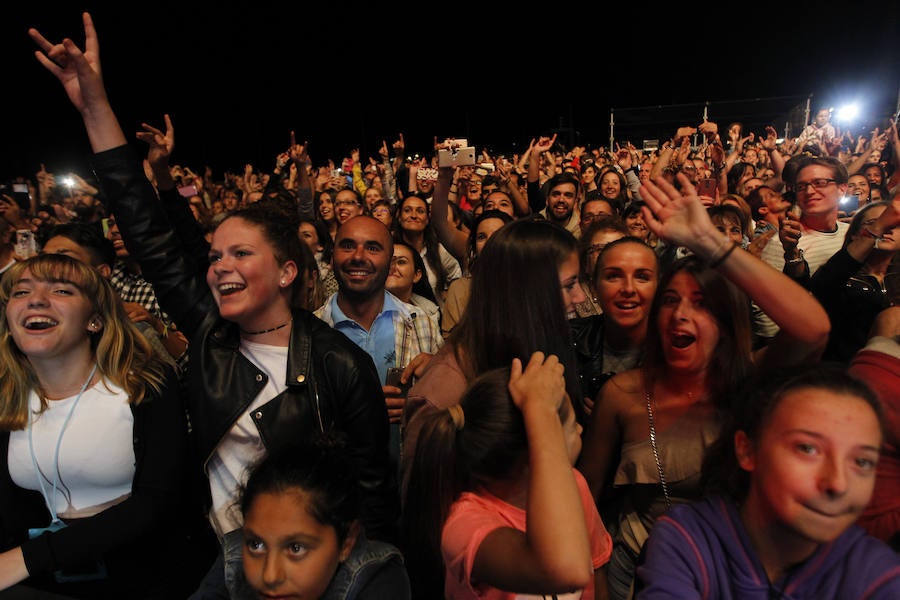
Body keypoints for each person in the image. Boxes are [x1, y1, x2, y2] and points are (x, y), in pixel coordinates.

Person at [28, 14, 399, 598]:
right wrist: (95, 107)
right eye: (215, 254)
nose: (219, 265)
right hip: (208, 562)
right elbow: (146, 231)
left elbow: (372, 501)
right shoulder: (208, 331)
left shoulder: (339, 367)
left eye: (240, 253)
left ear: (286, 271)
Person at [577, 173, 830, 600]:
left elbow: (813, 330)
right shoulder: (622, 395)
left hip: (735, 575)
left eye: (701, 304)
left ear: (727, 322)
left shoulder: (748, 383)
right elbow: (585, 500)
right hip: (635, 572)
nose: (681, 316)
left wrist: (711, 242)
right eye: (671, 301)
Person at [0, 254, 192, 599]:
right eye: (20, 292)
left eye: (61, 290)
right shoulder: (7, 396)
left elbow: (159, 502)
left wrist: (27, 558)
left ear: (95, 320)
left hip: (140, 581)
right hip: (39, 586)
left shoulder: (144, 385)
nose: (36, 299)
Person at [635, 364, 900, 599]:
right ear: (748, 450)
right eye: (808, 449)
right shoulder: (690, 539)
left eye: (862, 462)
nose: (838, 483)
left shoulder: (877, 575)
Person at [404, 352, 612, 599]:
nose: (579, 429)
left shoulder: (574, 485)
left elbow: (595, 576)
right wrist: (540, 410)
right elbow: (565, 570)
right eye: (568, 427)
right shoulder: (464, 527)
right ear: (534, 452)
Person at [315, 215, 442, 474]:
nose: (358, 256)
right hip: (336, 489)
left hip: (407, 481)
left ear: (389, 261)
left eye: (373, 247)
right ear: (332, 257)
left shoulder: (421, 324)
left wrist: (423, 400)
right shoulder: (312, 332)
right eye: (348, 245)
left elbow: (448, 411)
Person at [235, 435, 411, 600]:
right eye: (255, 545)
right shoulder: (232, 561)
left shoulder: (377, 577)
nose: (270, 576)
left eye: (296, 548)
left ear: (347, 542)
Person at [809, 198, 900, 363]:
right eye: (875, 222)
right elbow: (822, 285)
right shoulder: (841, 276)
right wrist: (877, 228)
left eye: (894, 225)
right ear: (854, 235)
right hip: (845, 374)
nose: (887, 228)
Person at [440, 209, 514, 339]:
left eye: (498, 234)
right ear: (474, 248)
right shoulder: (460, 289)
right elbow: (451, 342)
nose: (490, 241)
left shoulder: (527, 285)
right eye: (481, 237)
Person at [573, 215, 629, 318]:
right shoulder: (572, 299)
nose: (609, 255)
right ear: (586, 262)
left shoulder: (636, 294)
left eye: (618, 248)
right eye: (600, 249)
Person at [385, 239, 441, 332]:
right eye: (389, 261)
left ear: (416, 275)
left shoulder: (429, 312)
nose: (393, 267)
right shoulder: (365, 308)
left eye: (401, 262)